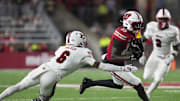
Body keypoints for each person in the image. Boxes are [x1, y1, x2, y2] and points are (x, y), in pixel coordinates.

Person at [0, 31, 138, 101]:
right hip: (52, 76)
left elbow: (65, 55)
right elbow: (101, 66)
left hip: (43, 68)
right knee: (43, 99)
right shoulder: (85, 52)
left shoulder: (61, 48)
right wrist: (123, 68)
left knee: (18, 86)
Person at [80, 11, 150, 101]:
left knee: (118, 85)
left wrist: (141, 52)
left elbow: (138, 40)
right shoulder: (121, 34)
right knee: (138, 84)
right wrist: (131, 57)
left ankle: (88, 83)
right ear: (127, 23)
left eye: (139, 24)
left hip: (119, 62)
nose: (138, 27)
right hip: (111, 63)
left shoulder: (135, 30)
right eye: (136, 24)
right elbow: (113, 56)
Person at [139, 8, 180, 98]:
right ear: (157, 19)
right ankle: (158, 72)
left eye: (165, 19)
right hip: (155, 55)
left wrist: (171, 57)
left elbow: (177, 47)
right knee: (146, 77)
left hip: (166, 57)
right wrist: (141, 54)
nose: (163, 22)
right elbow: (143, 40)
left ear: (169, 20)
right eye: (161, 19)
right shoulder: (151, 26)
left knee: (158, 79)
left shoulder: (174, 31)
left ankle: (147, 94)